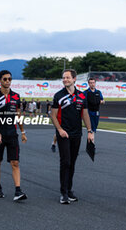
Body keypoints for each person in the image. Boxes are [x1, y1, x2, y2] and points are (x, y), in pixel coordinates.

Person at [50, 69, 93, 204]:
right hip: (63, 133)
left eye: (67, 77)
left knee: (72, 162)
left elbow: (85, 115)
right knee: (66, 161)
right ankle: (63, 192)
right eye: (63, 78)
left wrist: (90, 131)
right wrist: (60, 130)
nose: (65, 80)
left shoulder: (81, 96)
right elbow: (53, 115)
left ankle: (69, 189)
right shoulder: (58, 96)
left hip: (77, 133)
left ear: (74, 79)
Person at [0, 70, 28, 201]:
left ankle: (18, 190)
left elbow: (18, 116)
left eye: (9, 79)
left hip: (12, 134)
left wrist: (22, 132)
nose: (7, 81)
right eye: (5, 79)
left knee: (15, 162)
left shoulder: (16, 97)